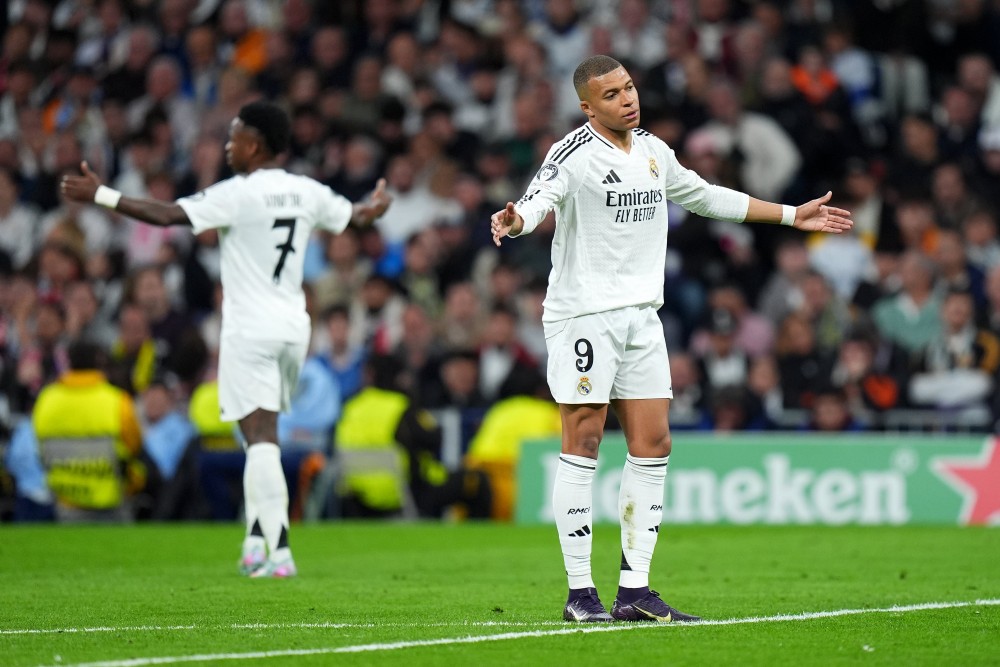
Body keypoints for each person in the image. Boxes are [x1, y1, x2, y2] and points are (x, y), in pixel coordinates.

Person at [490, 55, 853, 624]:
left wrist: (790, 215)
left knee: (654, 443)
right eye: (611, 95)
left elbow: (705, 195)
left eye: (629, 87)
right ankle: (580, 593)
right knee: (583, 441)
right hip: (585, 316)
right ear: (588, 107)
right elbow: (539, 200)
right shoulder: (572, 153)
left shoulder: (654, 151)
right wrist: (516, 222)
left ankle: (634, 591)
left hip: (642, 317)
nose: (627, 99)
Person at [61, 100, 392, 577]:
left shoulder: (239, 193)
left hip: (249, 328)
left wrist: (103, 196)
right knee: (258, 435)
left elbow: (169, 215)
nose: (228, 146)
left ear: (255, 145)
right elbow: (357, 216)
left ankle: (279, 550)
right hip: (293, 328)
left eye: (235, 137)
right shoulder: (305, 189)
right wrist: (377, 206)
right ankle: (255, 540)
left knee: (261, 438)